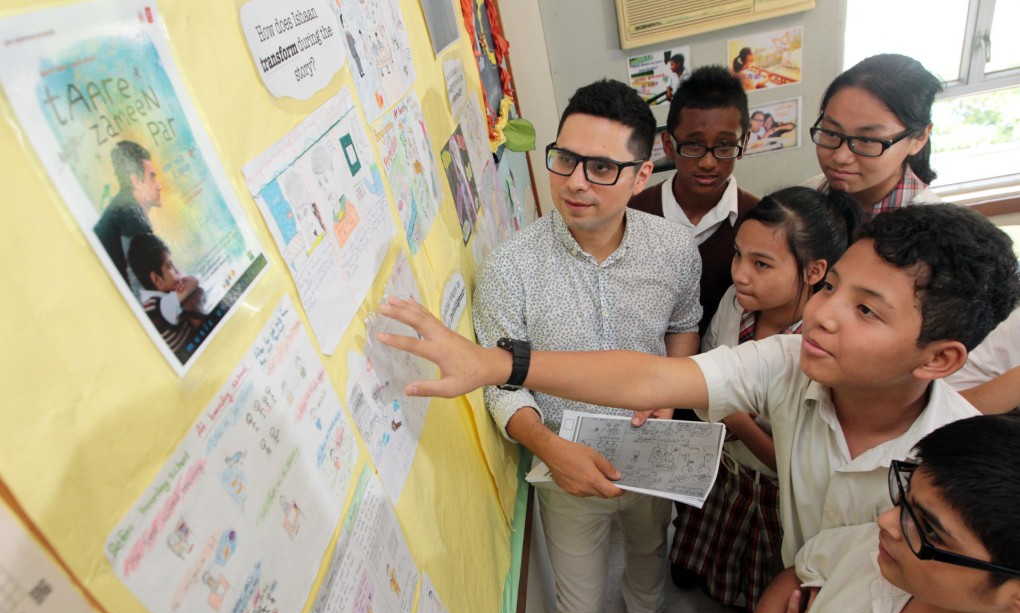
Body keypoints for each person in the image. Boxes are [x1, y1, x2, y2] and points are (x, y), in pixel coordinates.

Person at [377, 202, 1019, 570]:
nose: (822, 313)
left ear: (940, 359)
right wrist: (500, 365)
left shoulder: (960, 466)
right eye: (829, 288)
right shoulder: (791, 358)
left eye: (867, 310)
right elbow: (654, 374)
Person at [472, 79, 702, 613]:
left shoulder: (675, 249)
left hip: (651, 445)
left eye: (602, 167)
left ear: (641, 174)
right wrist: (551, 449)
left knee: (651, 547)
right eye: (566, 158)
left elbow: (684, 325)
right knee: (576, 606)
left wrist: (672, 404)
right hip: (562, 461)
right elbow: (501, 382)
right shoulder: (510, 268)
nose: (575, 180)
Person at [671, 187, 863, 613]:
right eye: (739, 255)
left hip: (776, 494)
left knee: (761, 583)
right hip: (723, 469)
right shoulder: (736, 303)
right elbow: (706, 362)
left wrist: (733, 418)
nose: (740, 274)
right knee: (708, 545)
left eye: (761, 264)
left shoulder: (820, 349)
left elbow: (791, 462)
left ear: (814, 271)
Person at [737, 415, 1020, 613]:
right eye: (906, 495)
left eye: (930, 530)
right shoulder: (887, 551)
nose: (886, 521)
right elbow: (802, 571)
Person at [629, 65, 759, 337]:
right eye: (693, 145)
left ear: (743, 143)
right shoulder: (633, 214)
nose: (708, 162)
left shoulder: (759, 220)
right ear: (668, 145)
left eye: (724, 146)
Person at [806, 54, 944, 217]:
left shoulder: (933, 233)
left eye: (867, 140)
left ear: (919, 138)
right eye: (831, 132)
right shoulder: (808, 194)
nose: (841, 157)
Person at [94, 140, 162, 289]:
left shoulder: (125, 212)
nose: (159, 186)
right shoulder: (132, 223)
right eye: (152, 177)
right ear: (136, 180)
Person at [128, 233, 205, 360]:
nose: (177, 271)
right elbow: (193, 281)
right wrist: (183, 289)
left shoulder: (162, 299)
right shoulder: (153, 307)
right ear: (156, 278)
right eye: (170, 265)